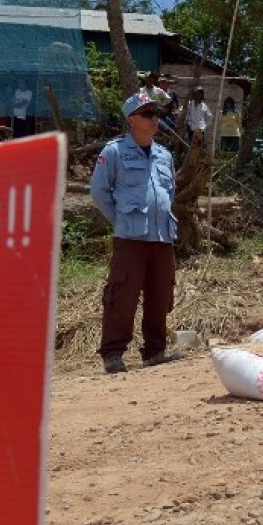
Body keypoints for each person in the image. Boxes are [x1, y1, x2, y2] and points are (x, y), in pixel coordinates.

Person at [90, 93, 183, 373]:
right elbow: (99, 192)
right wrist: (121, 220)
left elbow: (170, 193)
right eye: (148, 114)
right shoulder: (114, 152)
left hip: (161, 236)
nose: (155, 119)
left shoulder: (164, 155)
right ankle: (113, 354)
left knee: (161, 293)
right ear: (132, 120)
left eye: (156, 114)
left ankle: (155, 351)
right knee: (122, 294)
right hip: (130, 238)